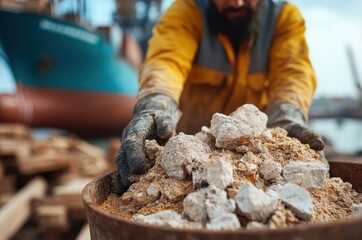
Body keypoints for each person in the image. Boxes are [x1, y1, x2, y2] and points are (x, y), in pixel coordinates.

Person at [115, 0, 324, 192]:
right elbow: (166, 62)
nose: (236, 3)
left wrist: (285, 119)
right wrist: (156, 105)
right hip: (189, 163)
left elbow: (293, 74)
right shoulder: (187, 11)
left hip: (257, 158)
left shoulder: (283, 19)